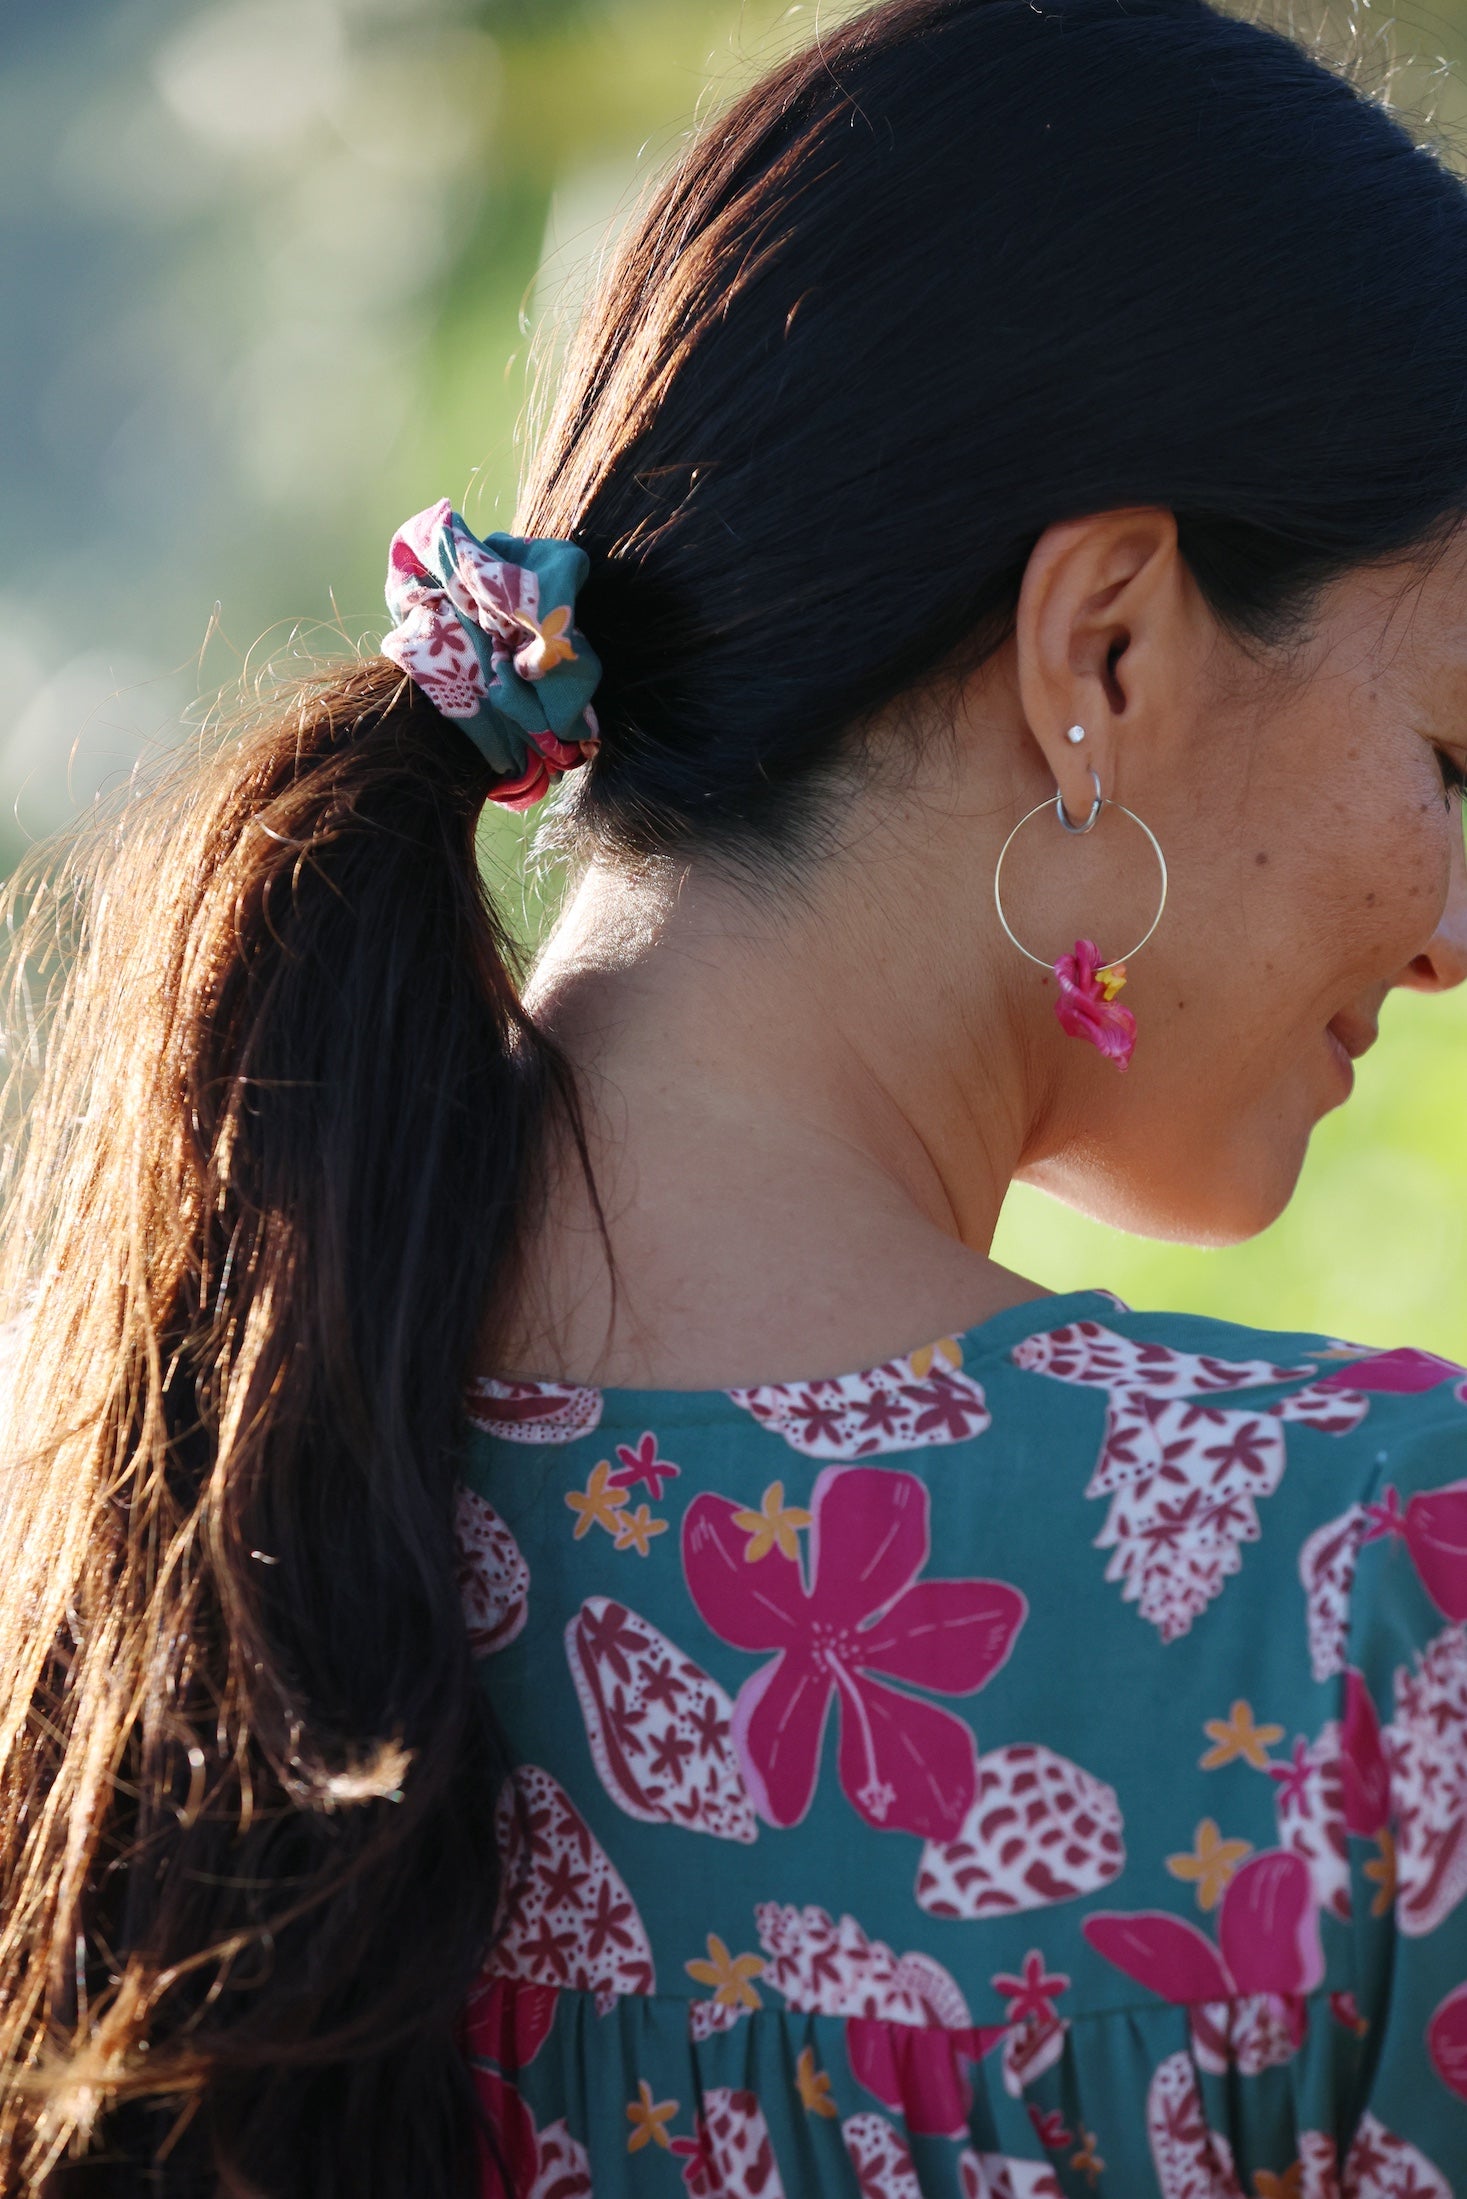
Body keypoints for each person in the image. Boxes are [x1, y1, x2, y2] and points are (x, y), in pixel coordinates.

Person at [3, 0, 1467, 2190]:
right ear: (1105, 650)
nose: (1453, 930)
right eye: (1450, 752)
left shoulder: (124, 1577)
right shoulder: (1366, 1613)